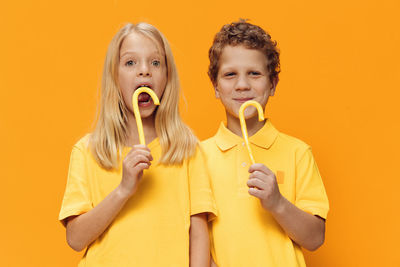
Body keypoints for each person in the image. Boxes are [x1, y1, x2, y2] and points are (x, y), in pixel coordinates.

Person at [59, 22, 216, 267]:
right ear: (115, 76)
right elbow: (76, 239)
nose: (144, 71)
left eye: (155, 63)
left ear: (167, 76)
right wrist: (123, 189)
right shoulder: (88, 150)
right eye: (130, 63)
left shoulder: (186, 149)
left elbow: (198, 233)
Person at [202, 19, 329, 266]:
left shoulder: (297, 153)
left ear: (272, 84)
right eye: (230, 75)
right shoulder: (197, 156)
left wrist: (277, 203)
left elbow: (314, 238)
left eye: (254, 74)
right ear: (215, 86)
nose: (242, 85)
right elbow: (189, 235)